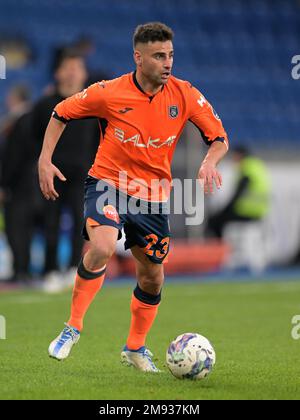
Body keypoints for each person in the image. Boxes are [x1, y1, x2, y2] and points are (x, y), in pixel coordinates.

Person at [38, 22, 229, 372]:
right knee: (102, 246)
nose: (167, 62)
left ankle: (135, 348)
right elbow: (61, 112)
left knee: (152, 277)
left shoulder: (185, 94)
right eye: (159, 56)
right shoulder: (108, 92)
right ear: (138, 58)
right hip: (108, 182)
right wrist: (44, 159)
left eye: (170, 55)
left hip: (153, 197)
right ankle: (72, 327)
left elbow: (219, 137)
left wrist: (208, 161)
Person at [33, 52, 99, 291]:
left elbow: (99, 142)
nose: (72, 72)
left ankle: (73, 269)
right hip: (53, 172)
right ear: (57, 72)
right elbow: (34, 140)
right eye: (67, 67)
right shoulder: (44, 105)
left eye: (77, 67)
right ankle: (50, 270)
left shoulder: (92, 107)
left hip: (82, 173)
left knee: (81, 223)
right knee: (50, 222)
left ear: (84, 73)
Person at [0, 85, 34, 284]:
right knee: (24, 228)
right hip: (28, 184)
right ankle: (23, 268)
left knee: (16, 227)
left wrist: (4, 184)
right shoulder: (28, 120)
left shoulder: (19, 121)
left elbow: (14, 157)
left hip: (18, 185)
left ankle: (20, 269)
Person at [205, 146, 271, 239]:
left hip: (248, 210)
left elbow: (238, 194)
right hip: (259, 210)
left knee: (215, 221)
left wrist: (225, 210)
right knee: (220, 217)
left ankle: (219, 249)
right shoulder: (256, 165)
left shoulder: (247, 167)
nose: (233, 159)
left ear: (239, 155)